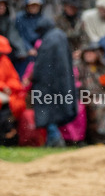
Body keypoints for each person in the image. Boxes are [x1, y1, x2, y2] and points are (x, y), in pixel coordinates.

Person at [28, 16, 77, 147]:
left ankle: (55, 140)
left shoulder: (49, 40)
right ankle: (53, 140)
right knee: (57, 110)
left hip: (48, 84)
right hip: (62, 82)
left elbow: (41, 66)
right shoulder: (60, 36)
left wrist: (33, 78)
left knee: (49, 112)